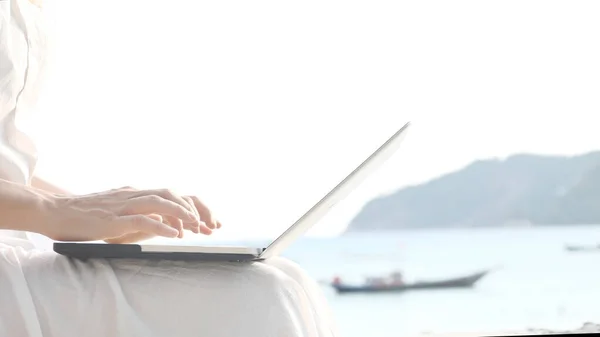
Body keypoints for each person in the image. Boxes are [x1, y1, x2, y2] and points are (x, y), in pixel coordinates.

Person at [0, 0, 337, 336]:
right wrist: (48, 210)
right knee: (258, 295)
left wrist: (102, 214)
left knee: (288, 282)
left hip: (20, 238)